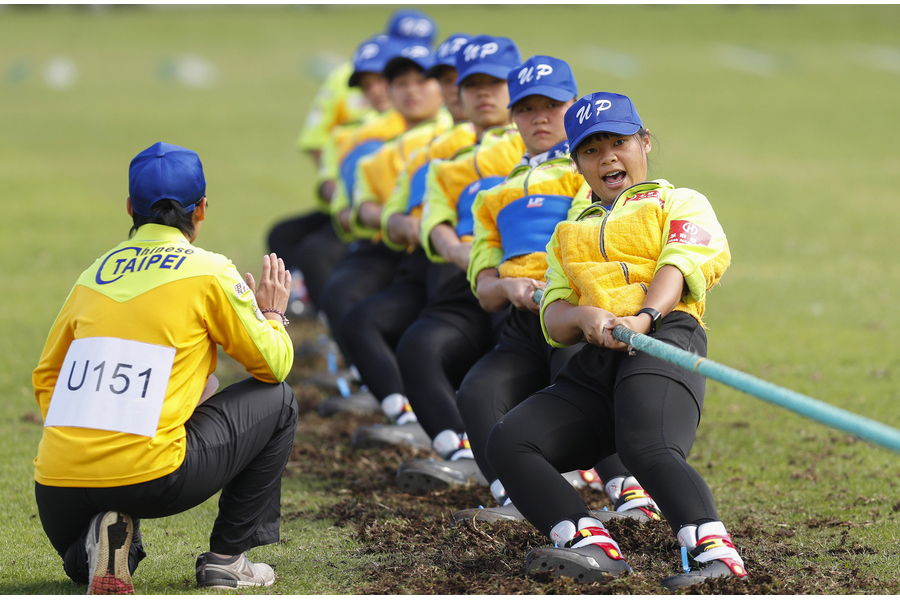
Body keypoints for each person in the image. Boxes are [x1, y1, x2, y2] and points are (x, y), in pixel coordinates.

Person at [484, 92, 747, 589]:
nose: (608, 156)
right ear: (577, 163)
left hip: (665, 339)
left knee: (646, 446)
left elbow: (681, 263)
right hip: (599, 354)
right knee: (512, 440)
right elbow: (554, 317)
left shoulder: (679, 200)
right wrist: (584, 316)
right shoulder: (567, 233)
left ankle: (716, 552)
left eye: (620, 141)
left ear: (644, 142)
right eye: (591, 149)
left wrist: (646, 315)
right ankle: (588, 543)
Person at [32, 142, 298, 594]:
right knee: (280, 401)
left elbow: (45, 380)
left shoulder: (93, 274)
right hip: (152, 477)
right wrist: (272, 316)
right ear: (202, 210)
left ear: (130, 208)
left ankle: (104, 537)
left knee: (85, 562)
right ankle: (228, 560)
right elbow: (273, 366)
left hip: (57, 486)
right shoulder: (209, 271)